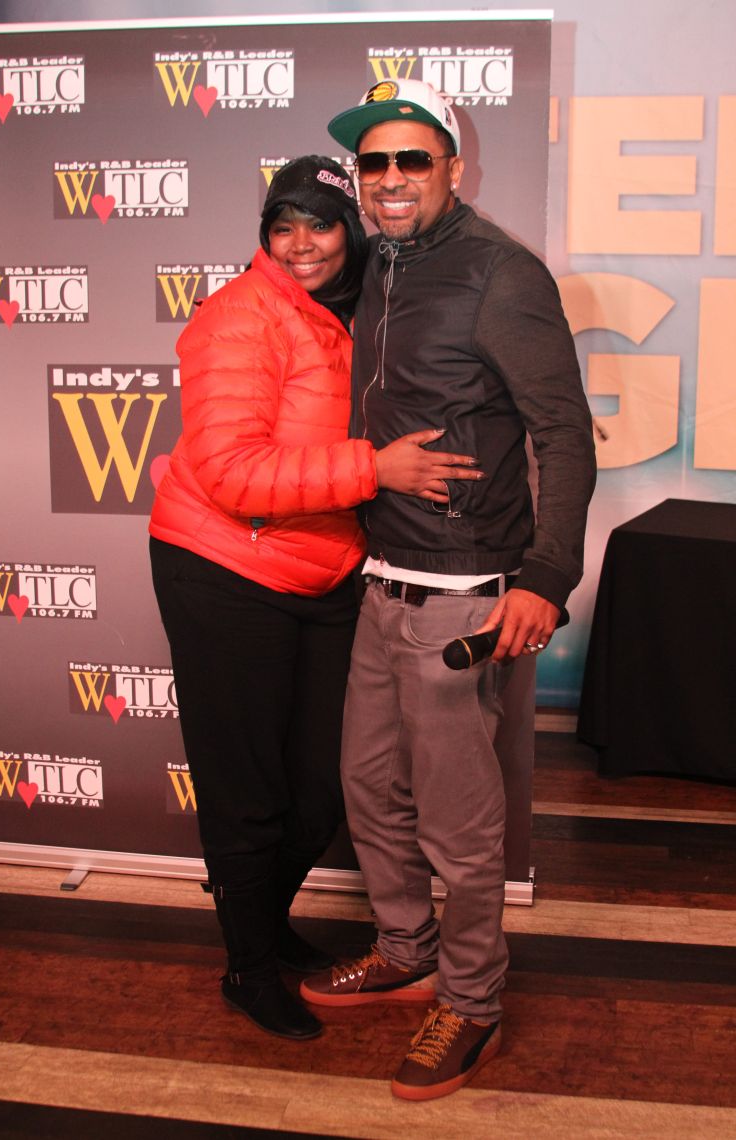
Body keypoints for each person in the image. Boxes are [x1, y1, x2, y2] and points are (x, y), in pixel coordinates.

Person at [300, 82, 597, 1098]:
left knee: (460, 830)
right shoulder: (381, 261)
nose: (389, 179)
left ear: (451, 169)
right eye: (373, 162)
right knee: (369, 790)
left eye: (411, 160)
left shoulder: (501, 274)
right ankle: (407, 949)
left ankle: (471, 1001)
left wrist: (546, 577)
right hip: (382, 579)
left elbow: (563, 433)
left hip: (465, 593)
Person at [149, 154, 481, 1043]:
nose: (300, 244)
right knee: (246, 790)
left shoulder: (365, 307)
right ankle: (248, 967)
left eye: (320, 224)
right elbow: (231, 473)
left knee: (327, 790)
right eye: (282, 226)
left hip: (326, 568)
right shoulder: (239, 316)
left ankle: (260, 924)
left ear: (350, 231)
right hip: (224, 567)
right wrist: (377, 469)